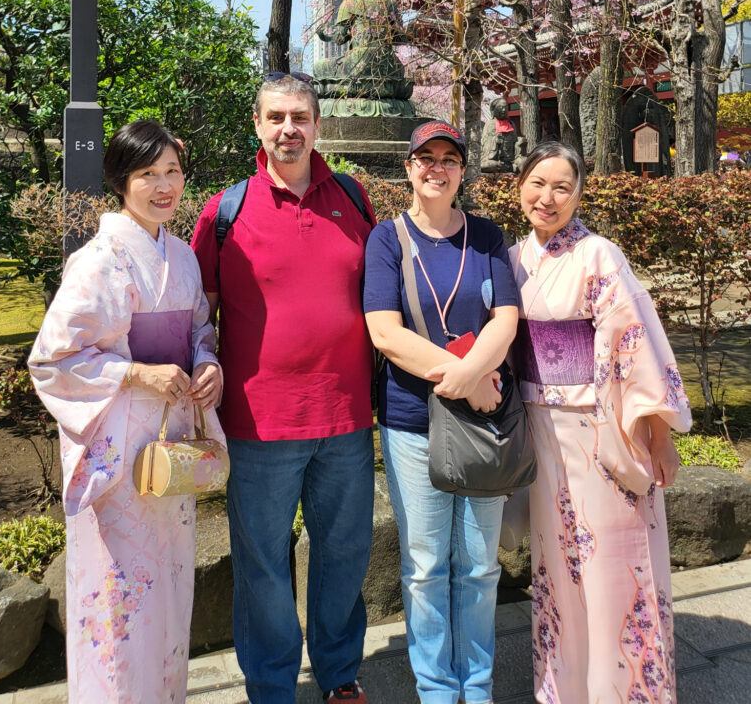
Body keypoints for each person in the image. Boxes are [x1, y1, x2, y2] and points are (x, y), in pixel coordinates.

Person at [191, 73, 377, 704]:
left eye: (300, 117)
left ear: (318, 124)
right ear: (258, 125)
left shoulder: (352, 197)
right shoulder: (225, 210)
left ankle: (339, 674)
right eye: (276, 117)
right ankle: (271, 687)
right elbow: (199, 315)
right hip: (259, 423)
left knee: (344, 554)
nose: (288, 129)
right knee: (263, 565)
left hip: (347, 415)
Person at [28, 120, 223, 704]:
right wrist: (136, 372)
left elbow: (200, 330)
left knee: (170, 586)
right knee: (117, 595)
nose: (164, 186)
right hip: (117, 450)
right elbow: (54, 357)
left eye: (172, 172)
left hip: (170, 441)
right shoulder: (97, 260)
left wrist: (207, 363)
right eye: (147, 174)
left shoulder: (182, 257)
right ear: (120, 181)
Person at [509, 141, 692, 704]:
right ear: (519, 187)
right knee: (557, 566)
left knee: (612, 564)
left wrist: (657, 435)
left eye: (562, 187)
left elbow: (636, 347)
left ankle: (626, 690)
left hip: (599, 429)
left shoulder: (599, 255)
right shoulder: (514, 258)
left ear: (579, 194)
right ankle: (566, 688)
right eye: (537, 183)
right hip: (541, 433)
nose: (547, 198)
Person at [363, 120, 519, 704]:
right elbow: (385, 332)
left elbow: (506, 319)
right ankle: (435, 688)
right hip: (413, 420)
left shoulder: (487, 236)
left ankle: (475, 686)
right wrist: (465, 380)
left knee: (478, 564)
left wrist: (472, 377)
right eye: (425, 157)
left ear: (462, 170)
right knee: (427, 564)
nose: (437, 167)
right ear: (408, 168)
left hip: (483, 424)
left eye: (449, 158)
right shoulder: (387, 239)